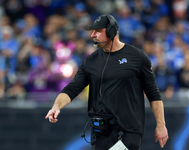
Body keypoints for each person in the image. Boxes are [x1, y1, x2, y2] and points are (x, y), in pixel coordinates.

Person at [45, 14, 169, 150]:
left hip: (128, 131)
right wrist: (56, 106)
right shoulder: (91, 61)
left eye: (98, 31)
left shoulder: (137, 57)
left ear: (111, 31)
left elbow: (153, 93)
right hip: (100, 132)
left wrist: (161, 125)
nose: (93, 35)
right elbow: (73, 88)